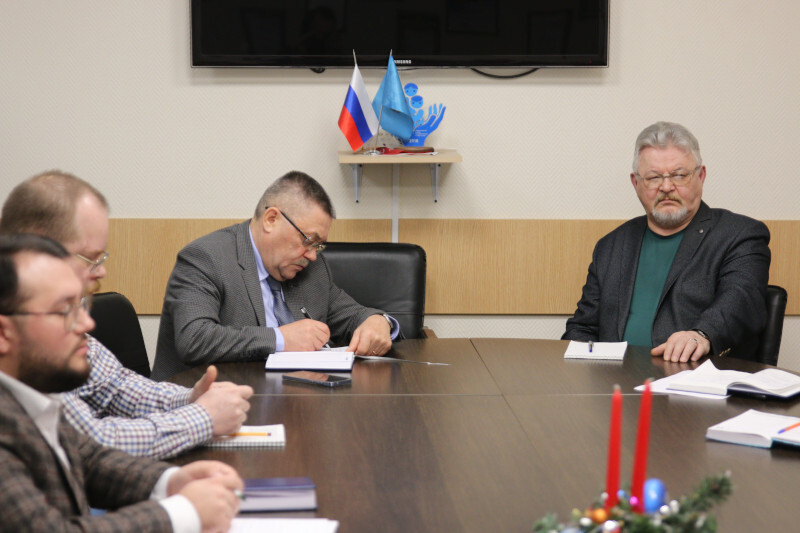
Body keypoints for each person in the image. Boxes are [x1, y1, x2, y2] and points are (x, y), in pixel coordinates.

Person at [0, 171, 254, 459]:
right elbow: (88, 443)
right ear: (35, 251)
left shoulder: (58, 320)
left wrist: (190, 398)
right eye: (90, 258)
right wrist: (201, 419)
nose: (101, 271)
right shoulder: (25, 328)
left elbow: (116, 386)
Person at [0, 233, 242, 532]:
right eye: (64, 311)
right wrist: (183, 512)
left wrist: (168, 481)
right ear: (3, 333)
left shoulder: (30, 390)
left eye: (81, 305)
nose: (87, 324)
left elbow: (87, 459)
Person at [152, 170, 400, 380]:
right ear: (271, 219)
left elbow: (351, 314)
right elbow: (194, 339)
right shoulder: (206, 258)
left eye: (318, 245)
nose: (312, 255)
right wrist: (280, 338)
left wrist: (379, 321)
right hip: (202, 406)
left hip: (291, 402)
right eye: (308, 240)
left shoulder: (312, 269)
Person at [563, 121, 770, 363]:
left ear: (701, 176)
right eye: (653, 177)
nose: (666, 187)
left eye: (679, 175)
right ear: (636, 183)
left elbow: (740, 300)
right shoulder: (611, 246)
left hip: (693, 380)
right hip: (614, 380)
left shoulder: (739, 235)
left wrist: (701, 334)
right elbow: (583, 328)